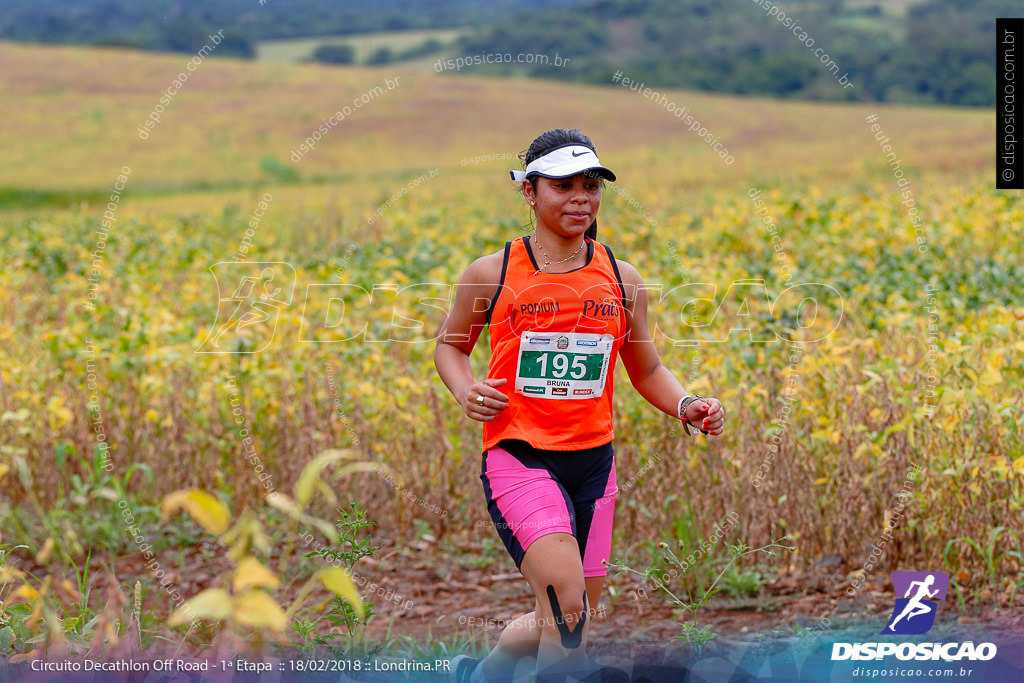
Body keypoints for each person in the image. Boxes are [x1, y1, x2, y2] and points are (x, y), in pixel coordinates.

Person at [433, 128, 726, 682]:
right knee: (567, 606)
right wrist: (466, 389)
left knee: (571, 617)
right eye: (563, 186)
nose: (580, 199)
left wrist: (687, 403)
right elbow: (451, 347)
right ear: (529, 192)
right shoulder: (491, 273)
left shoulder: (621, 277)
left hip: (594, 464)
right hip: (519, 456)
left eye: (591, 186)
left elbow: (648, 370)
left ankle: (482, 675)